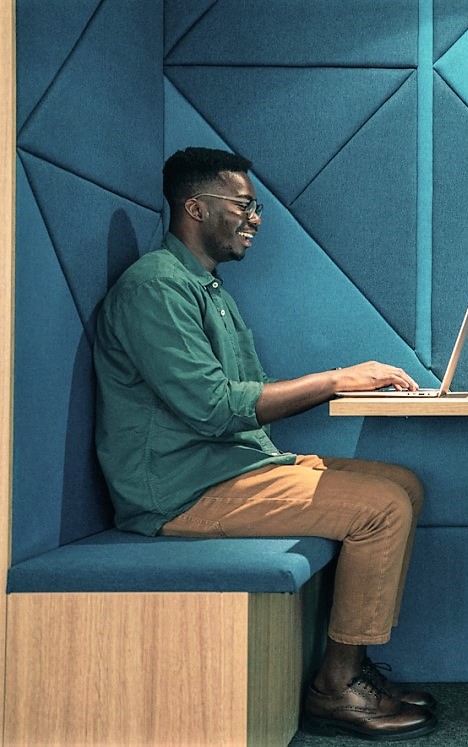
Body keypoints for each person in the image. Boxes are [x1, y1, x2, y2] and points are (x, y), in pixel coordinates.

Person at [93, 146, 438, 741]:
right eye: (245, 206)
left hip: (231, 466)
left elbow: (239, 396)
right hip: (181, 490)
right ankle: (336, 688)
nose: (256, 219)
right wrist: (336, 379)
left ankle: (352, 668)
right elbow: (212, 407)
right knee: (383, 508)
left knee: (404, 482)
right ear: (196, 207)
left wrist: (342, 384)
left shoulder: (207, 289)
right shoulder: (155, 288)